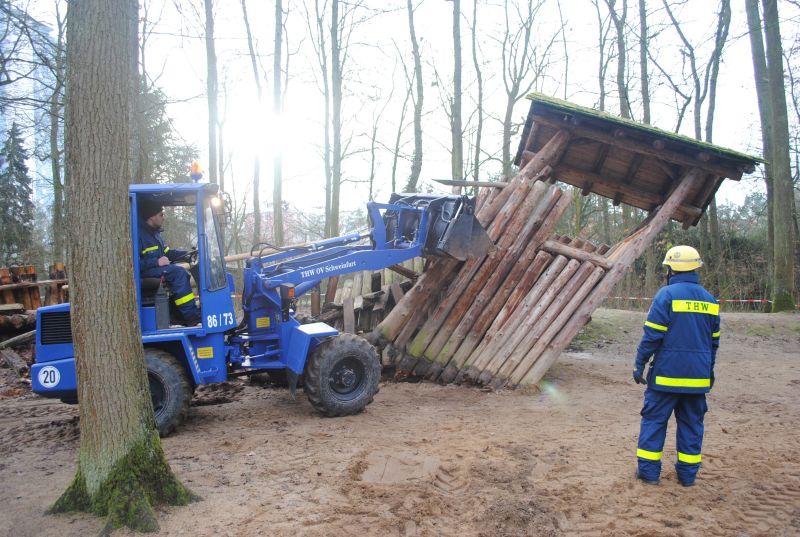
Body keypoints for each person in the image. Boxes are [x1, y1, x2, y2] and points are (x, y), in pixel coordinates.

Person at [633, 245, 720, 487]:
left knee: (654, 422)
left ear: (671, 269)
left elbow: (652, 336)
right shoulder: (710, 300)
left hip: (665, 378)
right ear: (695, 269)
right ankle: (688, 476)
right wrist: (709, 371)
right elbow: (714, 343)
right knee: (692, 426)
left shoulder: (666, 296)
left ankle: (649, 474)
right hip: (697, 379)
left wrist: (639, 364)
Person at [138, 200, 201, 325]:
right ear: (151, 216)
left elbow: (167, 253)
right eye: (161, 214)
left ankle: (177, 314)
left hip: (154, 270)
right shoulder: (139, 235)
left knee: (180, 272)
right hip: (143, 273)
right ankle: (191, 317)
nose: (163, 218)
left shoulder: (155, 234)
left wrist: (188, 253)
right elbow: (134, 264)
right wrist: (156, 262)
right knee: (178, 273)